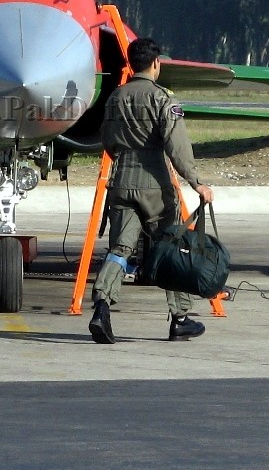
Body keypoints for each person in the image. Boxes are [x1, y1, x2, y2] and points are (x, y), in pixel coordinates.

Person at [88, 37, 214, 344]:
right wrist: (196, 181)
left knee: (120, 250)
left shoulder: (116, 97)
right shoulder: (162, 99)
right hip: (154, 182)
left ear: (132, 63)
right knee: (170, 248)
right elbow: (177, 146)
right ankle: (180, 318)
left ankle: (102, 308)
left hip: (121, 179)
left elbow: (106, 138)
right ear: (156, 63)